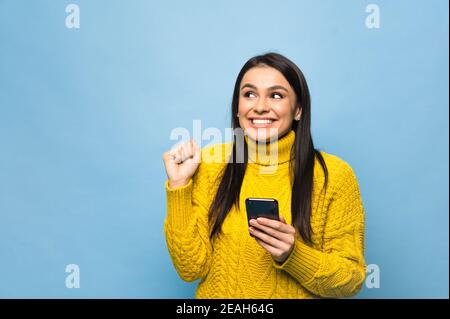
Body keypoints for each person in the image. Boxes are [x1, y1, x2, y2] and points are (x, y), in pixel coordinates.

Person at [162, 52, 366, 298]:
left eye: (276, 95)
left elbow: (349, 281)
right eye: (249, 94)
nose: (259, 107)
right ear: (237, 108)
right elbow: (190, 268)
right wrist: (179, 183)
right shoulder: (211, 163)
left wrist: (293, 255)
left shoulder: (334, 175)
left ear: (298, 109)